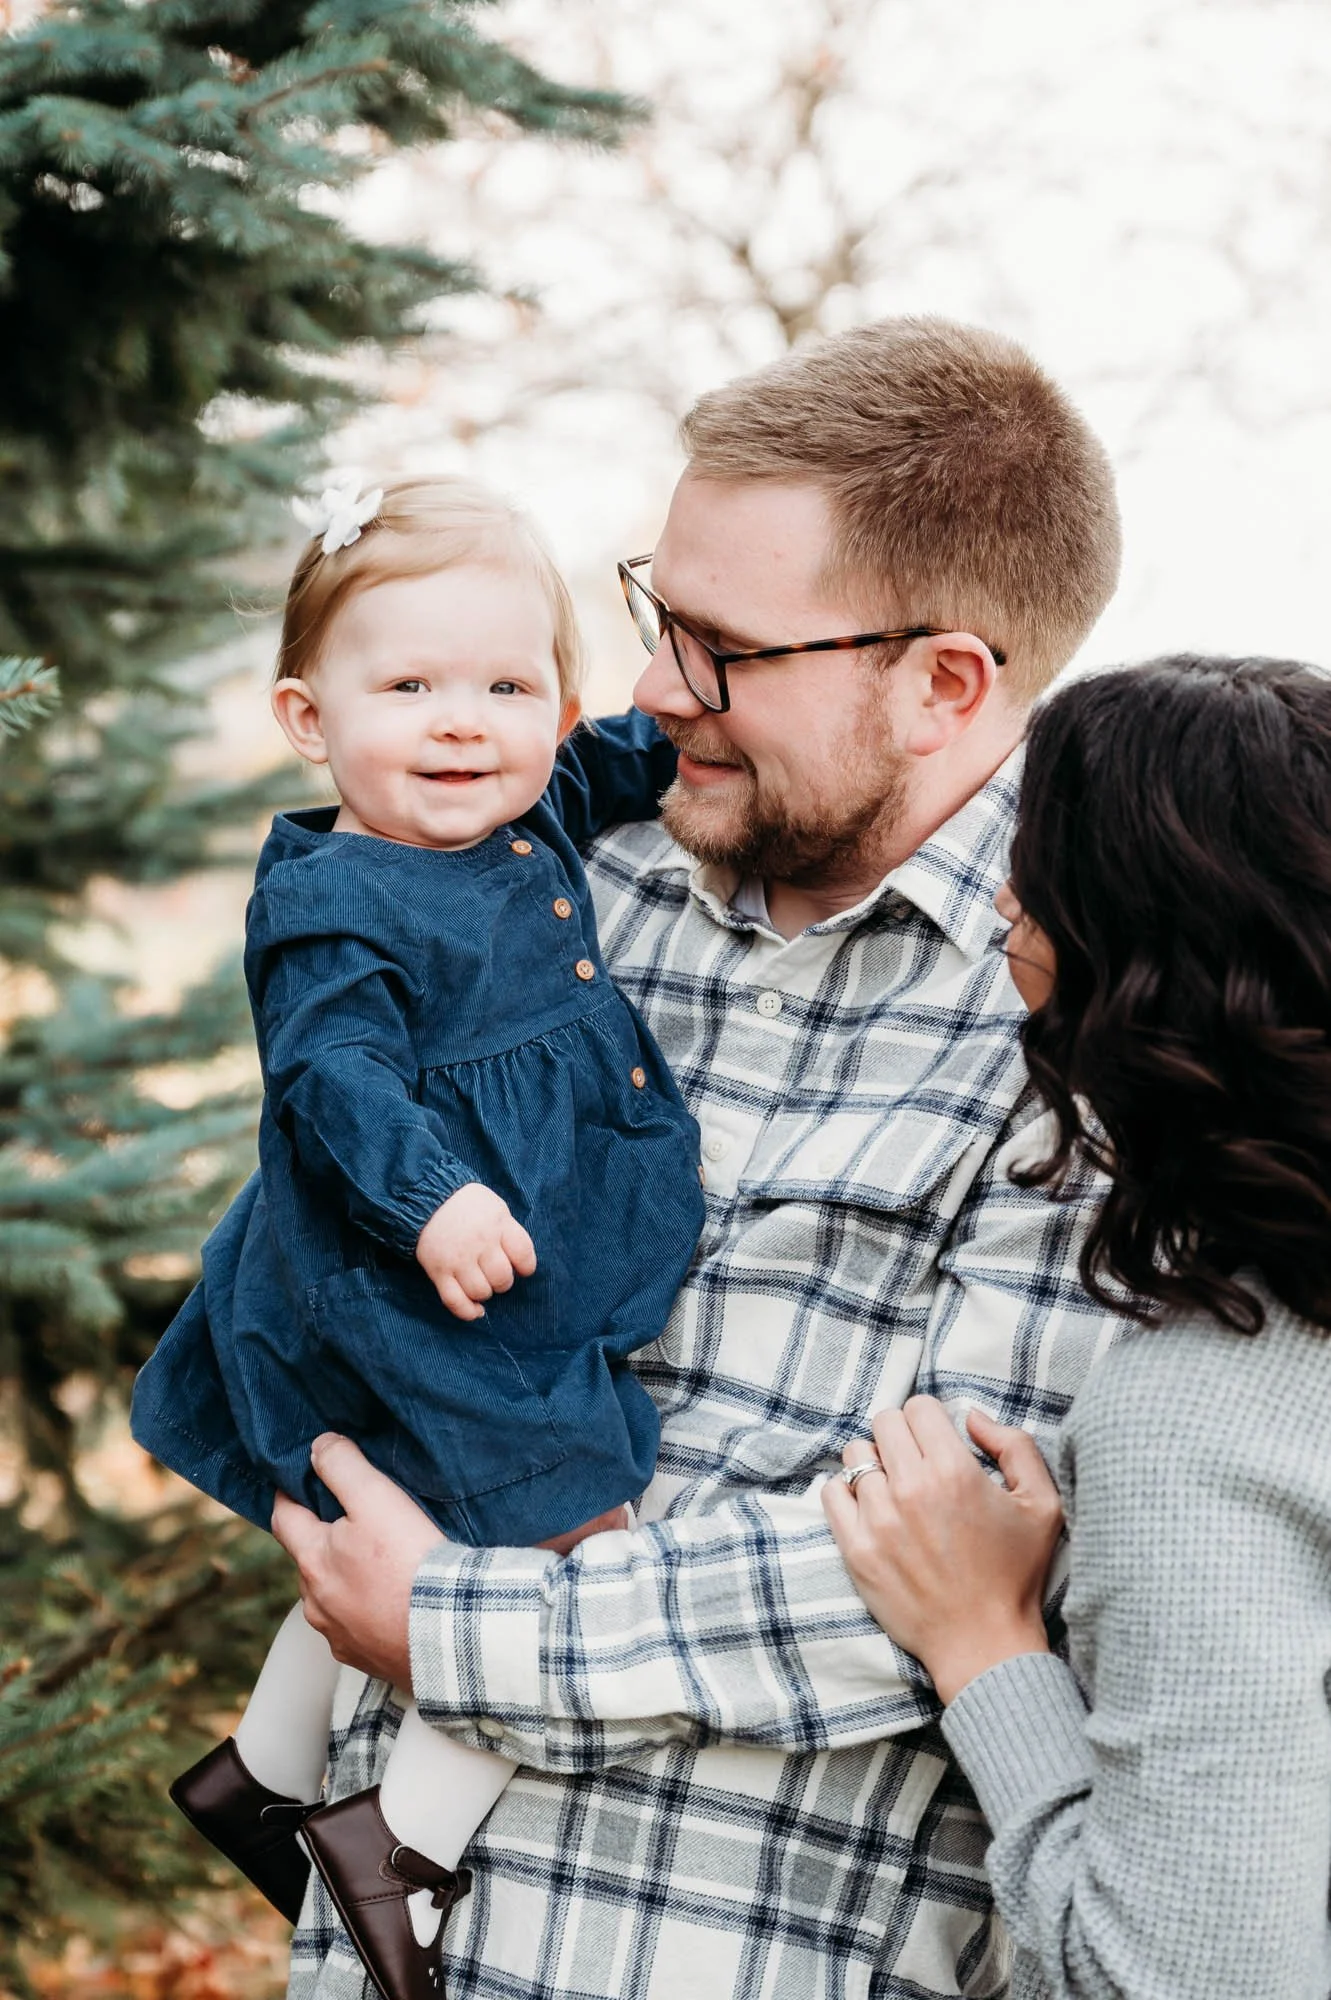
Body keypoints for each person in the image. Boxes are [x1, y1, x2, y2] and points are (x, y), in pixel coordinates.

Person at [163, 317, 1125, 2000]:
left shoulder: (1099, 1008)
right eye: (650, 613)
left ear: (944, 681)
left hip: (729, 1949)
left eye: (722, 649)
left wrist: (448, 1623)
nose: (654, 689)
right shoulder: (559, 871)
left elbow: (967, 1573)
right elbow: (317, 1213)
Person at [129, 475, 704, 2000]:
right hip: (411, 1271)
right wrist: (430, 1195)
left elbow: (643, 750)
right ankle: (397, 1841)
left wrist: (710, 718)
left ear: (558, 702)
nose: (464, 723)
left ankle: (261, 1770)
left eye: (508, 685)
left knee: (405, 1510)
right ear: (309, 720)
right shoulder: (335, 897)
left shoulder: (538, 803)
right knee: (561, 1540)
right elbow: (334, 1075)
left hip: (497, 1272)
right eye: (410, 687)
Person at [825, 654, 1331, 1999]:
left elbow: (1182, 1978)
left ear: (1137, 941)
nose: (999, 893)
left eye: (1036, 862)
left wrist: (983, 1645)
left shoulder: (1206, 1419)